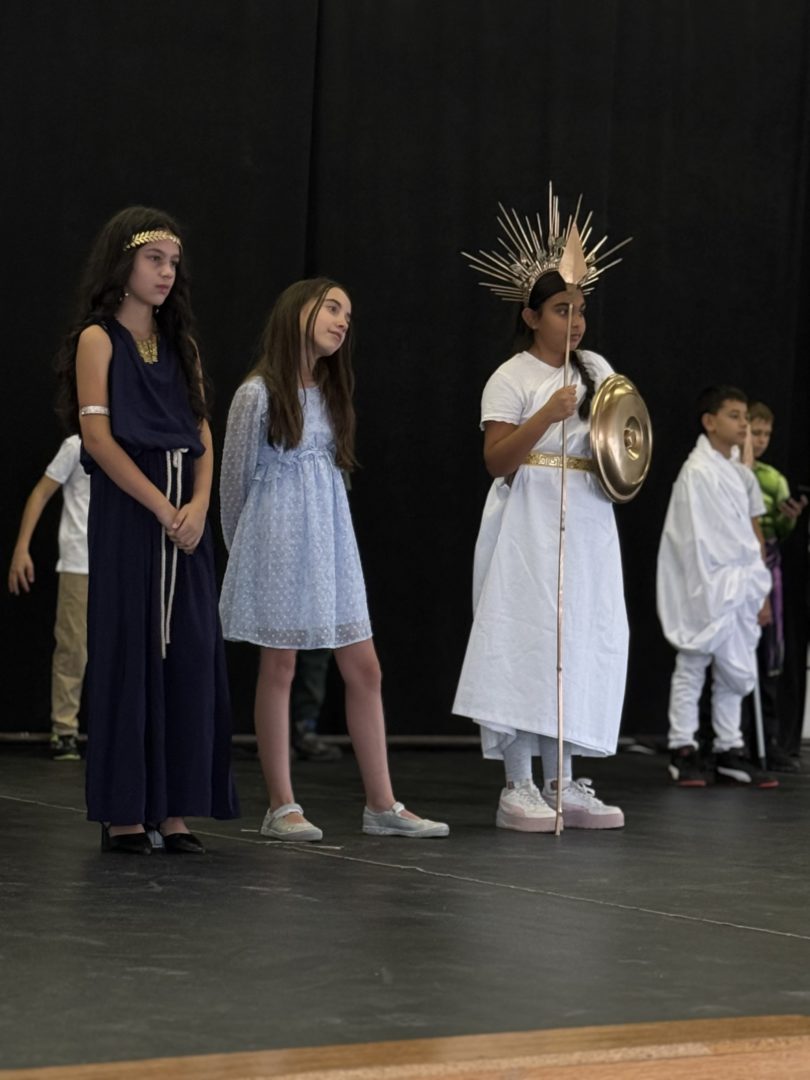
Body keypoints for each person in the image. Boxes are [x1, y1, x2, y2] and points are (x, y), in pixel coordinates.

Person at [219, 277, 448, 841]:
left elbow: (333, 476)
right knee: (280, 665)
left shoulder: (330, 391)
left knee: (365, 667)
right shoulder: (257, 394)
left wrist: (334, 545)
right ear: (297, 312)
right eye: (332, 308)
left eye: (348, 313)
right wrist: (243, 555)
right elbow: (233, 482)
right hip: (277, 537)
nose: (343, 321)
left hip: (329, 543)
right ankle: (281, 806)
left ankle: (381, 804)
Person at [54, 206, 239, 854]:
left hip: (185, 520)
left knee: (187, 653)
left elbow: (202, 430)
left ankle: (176, 809)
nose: (166, 272)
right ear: (123, 262)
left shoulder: (181, 343)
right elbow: (99, 439)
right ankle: (126, 812)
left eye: (173, 262)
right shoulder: (98, 339)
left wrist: (199, 504)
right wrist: (163, 508)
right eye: (154, 259)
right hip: (133, 517)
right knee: (130, 651)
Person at [453, 261, 628, 833]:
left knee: (578, 640)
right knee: (524, 638)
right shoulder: (511, 377)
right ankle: (518, 784)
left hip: (588, 516)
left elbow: (621, 441)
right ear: (531, 317)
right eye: (561, 310)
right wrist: (548, 415)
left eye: (580, 310)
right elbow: (496, 461)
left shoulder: (597, 369)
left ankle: (563, 780)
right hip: (527, 517)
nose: (575, 321)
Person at [657, 387, 777, 788]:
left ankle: (729, 747)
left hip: (740, 583)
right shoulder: (696, 473)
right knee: (693, 661)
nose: (743, 424)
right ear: (709, 422)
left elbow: (753, 532)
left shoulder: (741, 475)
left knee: (734, 666)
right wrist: (711, 579)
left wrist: (759, 587)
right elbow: (691, 538)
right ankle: (683, 746)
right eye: (734, 415)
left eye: (745, 416)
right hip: (704, 582)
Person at [8, 435, 89, 761]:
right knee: (73, 647)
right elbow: (41, 492)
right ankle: (65, 728)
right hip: (79, 562)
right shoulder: (76, 445)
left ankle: (119, 728)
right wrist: (21, 548)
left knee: (124, 649)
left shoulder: (133, 440)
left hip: (120, 565)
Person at [745, 401, 807, 770]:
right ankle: (724, 742)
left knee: (770, 654)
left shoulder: (773, 479)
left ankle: (766, 740)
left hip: (768, 567)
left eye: (767, 434)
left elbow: (778, 533)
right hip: (734, 566)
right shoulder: (730, 474)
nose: (761, 440)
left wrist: (789, 520)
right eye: (756, 432)